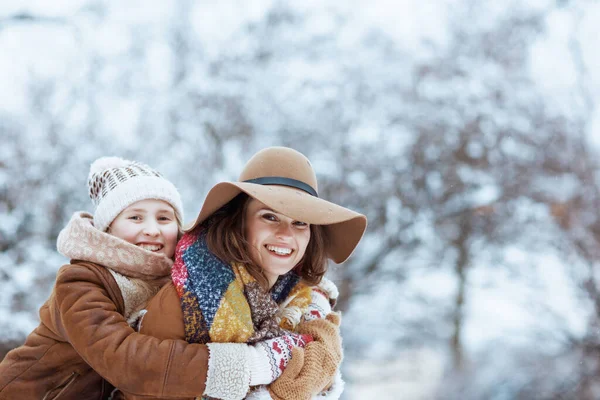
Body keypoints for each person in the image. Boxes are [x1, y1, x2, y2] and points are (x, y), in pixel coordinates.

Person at [0, 157, 312, 400]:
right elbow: (124, 359)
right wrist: (247, 366)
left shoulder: (176, 275)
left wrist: (312, 292)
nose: (151, 229)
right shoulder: (81, 281)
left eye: (163, 218)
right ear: (108, 228)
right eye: (135, 217)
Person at [122, 146, 368, 400]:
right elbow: (143, 389)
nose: (285, 234)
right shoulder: (184, 299)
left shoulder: (307, 304)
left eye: (299, 222)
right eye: (270, 216)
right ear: (240, 223)